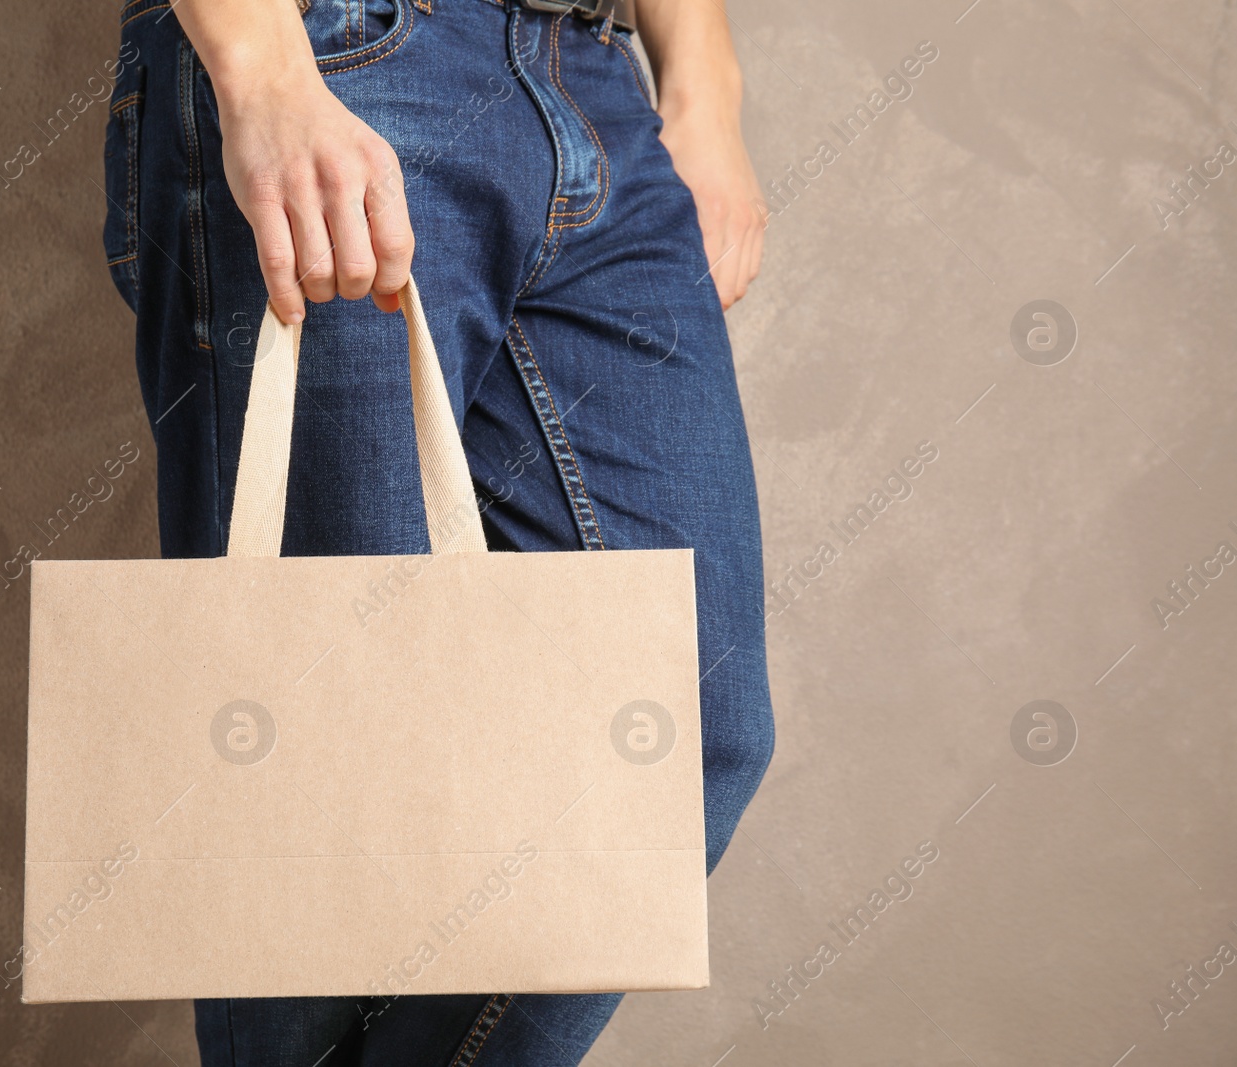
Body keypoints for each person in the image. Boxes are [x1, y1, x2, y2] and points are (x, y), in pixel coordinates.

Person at [101, 0, 774, 1062]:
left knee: (691, 722)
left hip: (596, 83)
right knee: (319, 796)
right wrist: (265, 71)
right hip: (341, 49)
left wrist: (704, 80)